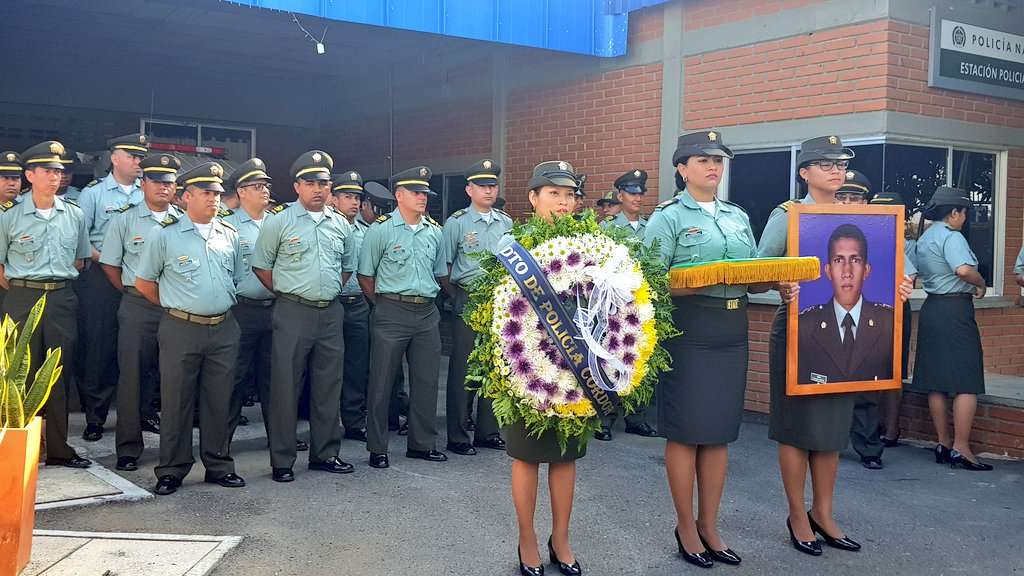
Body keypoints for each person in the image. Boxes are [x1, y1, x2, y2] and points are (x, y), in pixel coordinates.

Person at [757, 135, 912, 556]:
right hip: (798, 332)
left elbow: (879, 278)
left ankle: (823, 513)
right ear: (804, 172)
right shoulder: (787, 215)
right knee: (795, 429)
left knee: (831, 431)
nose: (835, 170)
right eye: (824, 164)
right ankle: (796, 515)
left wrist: (897, 288)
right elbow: (755, 272)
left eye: (840, 163)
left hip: (848, 337)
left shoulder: (864, 218)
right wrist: (779, 280)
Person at [644, 131, 757, 568]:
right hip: (690, 330)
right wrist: (698, 279)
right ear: (682, 168)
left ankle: (710, 525)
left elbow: (750, 271)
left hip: (733, 327)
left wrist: (778, 280)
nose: (713, 166)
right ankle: (686, 526)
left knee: (719, 431)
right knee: (687, 430)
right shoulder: (668, 217)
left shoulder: (737, 216)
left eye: (718, 160)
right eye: (703, 159)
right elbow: (649, 282)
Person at [135, 161, 246, 495]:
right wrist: (178, 305)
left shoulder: (229, 234)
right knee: (176, 400)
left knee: (219, 400)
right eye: (205, 193)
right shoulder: (164, 235)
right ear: (185, 197)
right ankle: (171, 468)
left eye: (216, 193)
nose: (213, 198)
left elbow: (235, 279)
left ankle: (219, 464)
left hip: (223, 328)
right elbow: (144, 283)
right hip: (181, 327)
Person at [252, 150, 356, 483]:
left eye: (323, 183)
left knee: (328, 385)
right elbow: (262, 266)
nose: (318, 189)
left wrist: (323, 293)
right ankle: (282, 460)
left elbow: (347, 267)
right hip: (293, 310)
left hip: (329, 313)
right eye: (310, 183)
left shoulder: (340, 223)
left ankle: (325, 453)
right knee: (286, 384)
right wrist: (291, 291)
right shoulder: (279, 221)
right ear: (297, 186)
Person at [505, 160, 585, 576]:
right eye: (554, 193)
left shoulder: (593, 244)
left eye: (570, 194)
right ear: (533, 198)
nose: (564, 202)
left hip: (574, 369)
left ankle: (562, 537)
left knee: (566, 456)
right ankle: (527, 539)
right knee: (527, 454)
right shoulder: (512, 246)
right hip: (527, 367)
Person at [0, 141, 91, 468]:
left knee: (56, 375)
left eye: (59, 171)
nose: (55, 177)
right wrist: (25, 286)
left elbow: (80, 260)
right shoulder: (9, 216)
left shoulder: (74, 215)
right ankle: (15, 448)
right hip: (22, 296)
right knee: (17, 374)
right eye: (48, 171)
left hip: (61, 297)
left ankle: (58, 448)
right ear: (29, 175)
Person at [358, 165, 448, 469]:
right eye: (416, 192)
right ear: (399, 195)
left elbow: (439, 271)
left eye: (425, 193)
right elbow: (365, 275)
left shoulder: (435, 231)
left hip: (426, 312)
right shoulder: (381, 229)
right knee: (382, 381)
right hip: (391, 310)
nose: (422, 197)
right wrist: (383, 305)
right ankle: (378, 446)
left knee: (426, 381)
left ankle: (422, 444)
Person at [100, 153, 184, 472]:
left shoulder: (183, 220)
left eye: (169, 182)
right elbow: (110, 264)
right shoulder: (125, 219)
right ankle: (128, 449)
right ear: (143, 183)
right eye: (157, 181)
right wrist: (134, 293)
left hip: (176, 307)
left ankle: (173, 451)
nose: (164, 188)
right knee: (132, 376)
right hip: (136, 306)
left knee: (174, 379)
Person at [909, 186, 993, 471]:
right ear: (955, 212)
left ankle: (943, 443)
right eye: (965, 212)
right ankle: (962, 447)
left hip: (932, 308)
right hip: (956, 308)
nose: (965, 218)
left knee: (937, 380)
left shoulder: (925, 238)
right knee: (966, 379)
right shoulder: (951, 236)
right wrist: (980, 283)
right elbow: (963, 270)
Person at [77, 133, 148, 442]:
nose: (137, 162)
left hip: (139, 281)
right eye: (131, 156)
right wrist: (109, 261)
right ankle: (95, 416)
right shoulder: (93, 194)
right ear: (114, 158)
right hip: (101, 279)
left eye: (139, 157)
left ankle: (144, 413)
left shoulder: (146, 193)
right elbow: (80, 241)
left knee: (142, 351)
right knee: (100, 348)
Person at [442, 159, 511, 456]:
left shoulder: (506, 223)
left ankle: (488, 430)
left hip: (499, 301)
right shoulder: (457, 223)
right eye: (482, 186)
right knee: (463, 368)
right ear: (469, 189)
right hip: (468, 299)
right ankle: (457, 434)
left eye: (492, 185)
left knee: (494, 365)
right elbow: (443, 268)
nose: (488, 191)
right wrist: (458, 296)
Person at [596, 168, 657, 440]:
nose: (638, 197)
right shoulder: (607, 228)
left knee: (640, 358)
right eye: (632, 192)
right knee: (610, 359)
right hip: (613, 306)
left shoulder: (652, 227)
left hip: (642, 305)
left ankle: (636, 416)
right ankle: (605, 419)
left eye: (641, 192)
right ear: (620, 195)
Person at [221, 158, 277, 442]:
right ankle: (222, 443)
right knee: (234, 378)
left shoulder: (280, 223)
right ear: (241, 192)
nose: (264, 191)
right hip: (241, 311)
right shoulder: (228, 226)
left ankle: (278, 440)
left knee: (274, 380)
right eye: (257, 186)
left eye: (266, 186)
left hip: (275, 309)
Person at [870, 190, 917, 448]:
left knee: (893, 371)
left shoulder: (899, 242)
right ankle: (873, 424)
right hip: (869, 311)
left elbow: (909, 279)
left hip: (893, 311)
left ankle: (891, 428)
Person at [332, 170, 371, 443]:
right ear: (334, 199)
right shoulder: (326, 226)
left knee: (357, 366)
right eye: (347, 196)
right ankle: (324, 423)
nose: (354, 202)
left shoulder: (366, 231)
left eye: (357, 197)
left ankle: (354, 421)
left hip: (358, 304)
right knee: (326, 368)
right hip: (331, 303)